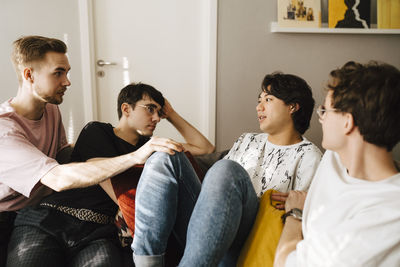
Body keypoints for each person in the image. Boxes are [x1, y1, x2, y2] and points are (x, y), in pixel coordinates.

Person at [1, 35, 214, 266]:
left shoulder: (51, 110)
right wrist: (132, 157)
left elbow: (205, 148)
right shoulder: (6, 130)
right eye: (58, 73)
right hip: (31, 216)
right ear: (29, 75)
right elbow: (57, 178)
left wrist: (169, 113)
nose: (67, 81)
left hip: (95, 229)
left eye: (67, 72)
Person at [132, 72, 322, 266]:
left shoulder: (309, 156)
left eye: (268, 99)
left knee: (226, 169)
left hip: (250, 240)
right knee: (165, 155)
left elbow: (305, 220)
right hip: (209, 230)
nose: (259, 107)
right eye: (259, 100)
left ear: (293, 106)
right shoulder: (246, 140)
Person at [274, 61, 400, 267]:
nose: (321, 119)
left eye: (325, 111)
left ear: (347, 123)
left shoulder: (387, 212)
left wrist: (295, 214)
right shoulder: (335, 156)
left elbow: (284, 262)